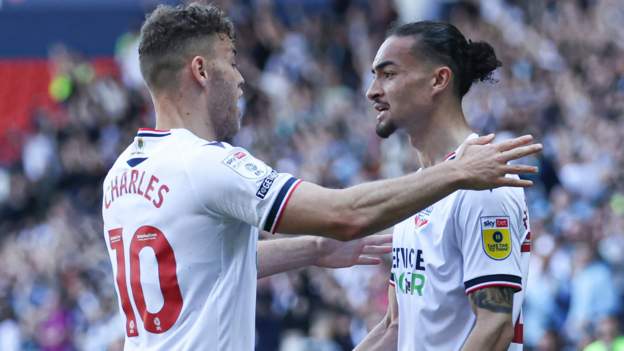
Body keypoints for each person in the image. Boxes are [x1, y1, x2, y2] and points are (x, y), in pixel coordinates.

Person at [101, 4, 541, 350]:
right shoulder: (207, 163)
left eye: (387, 74)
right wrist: (458, 172)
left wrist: (314, 249)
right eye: (232, 62)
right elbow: (342, 214)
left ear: (439, 80)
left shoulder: (120, 176)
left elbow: (484, 325)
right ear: (200, 71)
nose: (240, 80)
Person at [355, 21, 532, 351]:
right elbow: (396, 325)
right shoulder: (420, 188)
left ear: (438, 79)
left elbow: (494, 326)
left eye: (388, 74)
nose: (372, 91)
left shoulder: (483, 183)